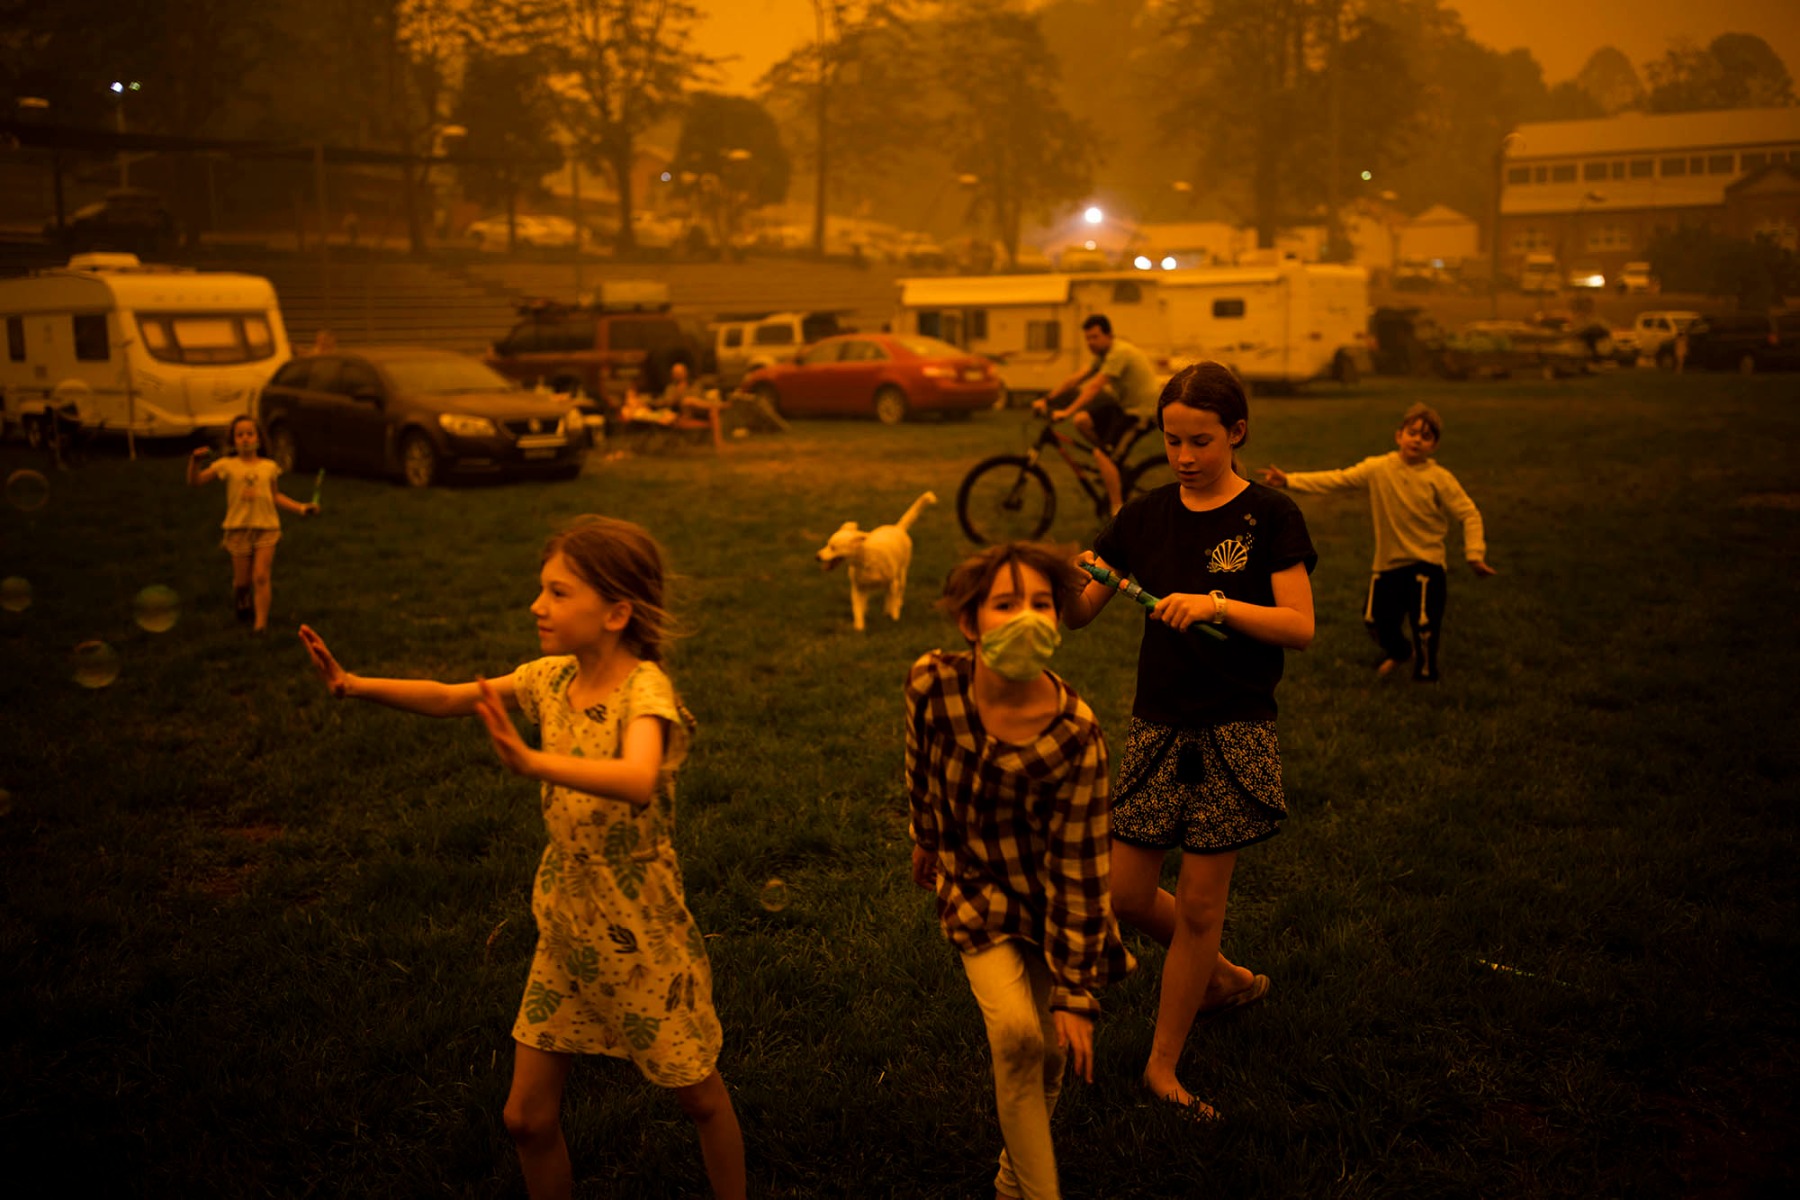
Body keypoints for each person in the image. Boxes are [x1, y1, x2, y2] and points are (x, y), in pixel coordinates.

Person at [296, 516, 745, 1200]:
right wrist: (353, 684)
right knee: (526, 1119)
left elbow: (638, 777)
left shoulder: (643, 690)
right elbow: (452, 697)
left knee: (698, 1097)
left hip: (639, 934)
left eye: (559, 593)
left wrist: (535, 760)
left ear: (616, 612)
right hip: (565, 925)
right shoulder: (548, 678)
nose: (538, 606)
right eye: (542, 590)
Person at [1064, 362, 1316, 1119]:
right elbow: (1080, 612)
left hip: (1235, 726)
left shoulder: (1270, 517)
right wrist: (1042, 584)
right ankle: (1226, 978)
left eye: (1200, 441)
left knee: (1202, 907)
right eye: (1173, 441)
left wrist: (1216, 604)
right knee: (1127, 893)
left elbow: (1299, 627)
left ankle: (1162, 1065)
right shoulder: (1143, 518)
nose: (1183, 457)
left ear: (1236, 433)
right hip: (1158, 724)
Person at [906, 542, 1134, 1200]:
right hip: (973, 886)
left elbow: (1082, 871)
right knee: (1015, 1037)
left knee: (1052, 1050)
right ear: (969, 622)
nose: (1028, 618)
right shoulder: (932, 682)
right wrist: (925, 832)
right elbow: (919, 759)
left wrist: (1076, 994)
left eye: (1041, 603)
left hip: (1050, 901)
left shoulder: (1075, 737)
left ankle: (1013, 1174)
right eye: (1006, 604)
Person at [1259, 402, 1495, 682]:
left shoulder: (1439, 479)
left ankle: (1427, 676)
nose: (1417, 439)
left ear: (1434, 446)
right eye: (1412, 432)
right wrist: (1289, 480)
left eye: (1426, 436)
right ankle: (1400, 652)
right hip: (1388, 563)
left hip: (1427, 563)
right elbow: (1338, 479)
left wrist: (1474, 553)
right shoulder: (1379, 468)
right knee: (1374, 620)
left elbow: (1468, 513)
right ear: (1399, 435)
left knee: (1425, 624)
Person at [187, 414, 317, 633]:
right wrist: (195, 462)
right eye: (240, 435)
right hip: (238, 529)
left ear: (258, 438)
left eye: (250, 434)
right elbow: (195, 481)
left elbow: (276, 496)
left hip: (266, 527)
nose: (245, 438)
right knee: (242, 582)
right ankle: (243, 602)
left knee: (261, 576)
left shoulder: (268, 467)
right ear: (233, 440)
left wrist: (301, 508)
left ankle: (260, 625)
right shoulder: (226, 465)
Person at [1033, 314, 1159, 516]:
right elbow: (1076, 379)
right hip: (1124, 407)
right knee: (1082, 421)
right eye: (1087, 338)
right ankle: (1113, 462)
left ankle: (1117, 511)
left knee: (1102, 454)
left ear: (1109, 335)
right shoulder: (1103, 355)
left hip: (1142, 412)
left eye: (1094, 337)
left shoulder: (1119, 353)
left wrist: (1067, 410)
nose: (1090, 343)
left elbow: (1094, 386)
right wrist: (1048, 400)